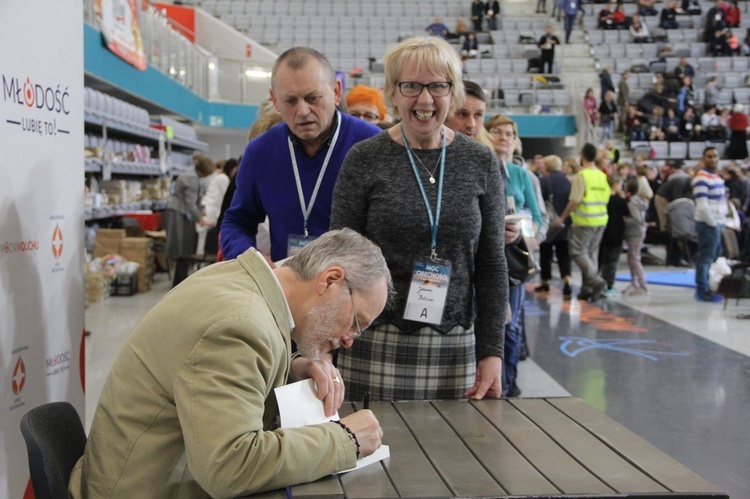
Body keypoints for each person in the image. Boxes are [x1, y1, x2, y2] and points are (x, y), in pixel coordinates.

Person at [69, 229, 391, 497]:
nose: (349, 339)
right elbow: (228, 467)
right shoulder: (239, 325)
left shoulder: (241, 282)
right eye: (355, 322)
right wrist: (345, 438)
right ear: (330, 280)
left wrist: (294, 367)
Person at [330, 36, 507, 402]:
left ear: (453, 93)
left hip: (457, 346)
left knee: (453, 456)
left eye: (437, 86)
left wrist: (492, 352)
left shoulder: (481, 162)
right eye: (411, 86)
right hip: (372, 341)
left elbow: (491, 263)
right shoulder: (364, 159)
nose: (424, 100)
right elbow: (339, 260)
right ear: (393, 93)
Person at [221, 47, 381, 263]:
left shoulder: (372, 145)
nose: (303, 111)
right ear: (275, 100)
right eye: (290, 101)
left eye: (312, 98)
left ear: (336, 92)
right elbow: (237, 221)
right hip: (288, 288)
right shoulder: (260, 152)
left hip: (356, 287)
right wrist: (251, 260)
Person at [485, 114, 542, 397]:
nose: (504, 137)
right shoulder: (480, 166)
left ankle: (508, 383)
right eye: (497, 131)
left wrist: (521, 234)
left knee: (512, 323)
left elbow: (538, 217)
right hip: (482, 257)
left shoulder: (522, 176)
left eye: (509, 133)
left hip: (513, 259)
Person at [557, 143, 611, 301]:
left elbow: (574, 200)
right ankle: (587, 289)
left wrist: (562, 217)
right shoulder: (601, 175)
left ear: (582, 156)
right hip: (601, 219)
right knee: (591, 254)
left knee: (578, 252)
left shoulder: (582, 175)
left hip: (584, 220)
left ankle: (595, 281)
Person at [692, 146, 728, 302]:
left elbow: (722, 201)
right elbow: (702, 204)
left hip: (718, 222)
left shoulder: (717, 177)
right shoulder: (701, 178)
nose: (712, 159)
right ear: (703, 159)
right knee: (705, 257)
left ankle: (709, 285)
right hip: (707, 223)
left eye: (715, 156)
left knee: (714, 256)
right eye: (709, 156)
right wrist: (712, 223)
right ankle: (702, 289)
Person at [164, 154, 214, 262]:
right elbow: (190, 202)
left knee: (186, 245)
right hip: (178, 211)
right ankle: (178, 273)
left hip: (184, 211)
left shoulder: (197, 177)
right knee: (179, 244)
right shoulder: (191, 178)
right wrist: (200, 219)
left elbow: (199, 199)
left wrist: (202, 215)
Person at [536, 155, 573, 298]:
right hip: (563, 223)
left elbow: (540, 200)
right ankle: (567, 281)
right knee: (564, 253)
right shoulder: (567, 181)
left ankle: (545, 281)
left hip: (549, 223)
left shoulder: (544, 180)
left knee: (545, 252)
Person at [599, 175, 629, 296]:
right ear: (616, 184)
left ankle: (598, 283)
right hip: (616, 234)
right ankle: (609, 285)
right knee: (612, 262)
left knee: (601, 259)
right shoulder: (619, 200)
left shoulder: (603, 199)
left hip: (603, 233)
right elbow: (627, 213)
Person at [622, 177, 650, 295]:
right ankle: (635, 283)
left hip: (635, 232)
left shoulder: (632, 202)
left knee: (634, 258)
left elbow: (636, 218)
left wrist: (625, 220)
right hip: (638, 231)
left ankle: (643, 284)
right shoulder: (639, 201)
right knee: (632, 258)